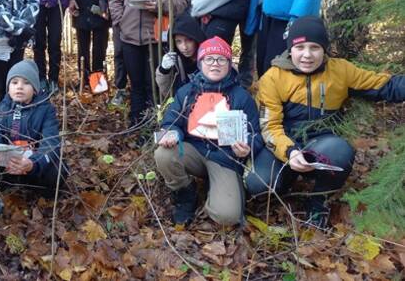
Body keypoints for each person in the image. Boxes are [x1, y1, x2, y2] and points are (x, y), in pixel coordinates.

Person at [245, 16, 405, 228]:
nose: (307, 55)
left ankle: (319, 199)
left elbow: (384, 85)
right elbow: (269, 126)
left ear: (324, 49)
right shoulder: (273, 78)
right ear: (290, 49)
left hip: (321, 143)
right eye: (300, 47)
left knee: (341, 151)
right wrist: (290, 152)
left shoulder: (341, 70)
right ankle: (287, 180)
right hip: (284, 145)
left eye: (315, 47)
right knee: (257, 182)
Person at [155, 37, 262, 226]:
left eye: (221, 59)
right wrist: (172, 133)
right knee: (163, 154)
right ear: (200, 62)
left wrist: (247, 147)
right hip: (193, 152)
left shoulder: (242, 97)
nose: (215, 64)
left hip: (225, 159)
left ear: (229, 64)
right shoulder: (186, 92)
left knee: (227, 216)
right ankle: (186, 194)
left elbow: (256, 135)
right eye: (209, 59)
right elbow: (171, 122)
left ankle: (219, 193)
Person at [108, 0, 189, 127]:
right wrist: (120, 21)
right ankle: (136, 124)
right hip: (130, 35)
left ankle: (156, 124)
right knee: (136, 84)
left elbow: (182, 0)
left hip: (157, 35)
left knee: (154, 82)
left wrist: (161, 4)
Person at [0, 60, 65, 197]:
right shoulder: (1, 109)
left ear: (35, 88)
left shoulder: (46, 110)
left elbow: (51, 143)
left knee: (58, 169)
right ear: (8, 87)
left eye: (26, 83)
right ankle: (6, 187)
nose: (19, 87)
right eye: (14, 82)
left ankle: (35, 191)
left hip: (33, 165)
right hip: (7, 166)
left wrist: (33, 163)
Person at [155, 11, 206, 101]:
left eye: (189, 40)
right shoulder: (175, 60)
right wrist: (163, 70)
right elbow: (167, 93)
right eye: (179, 41)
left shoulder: (208, 57)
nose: (184, 47)